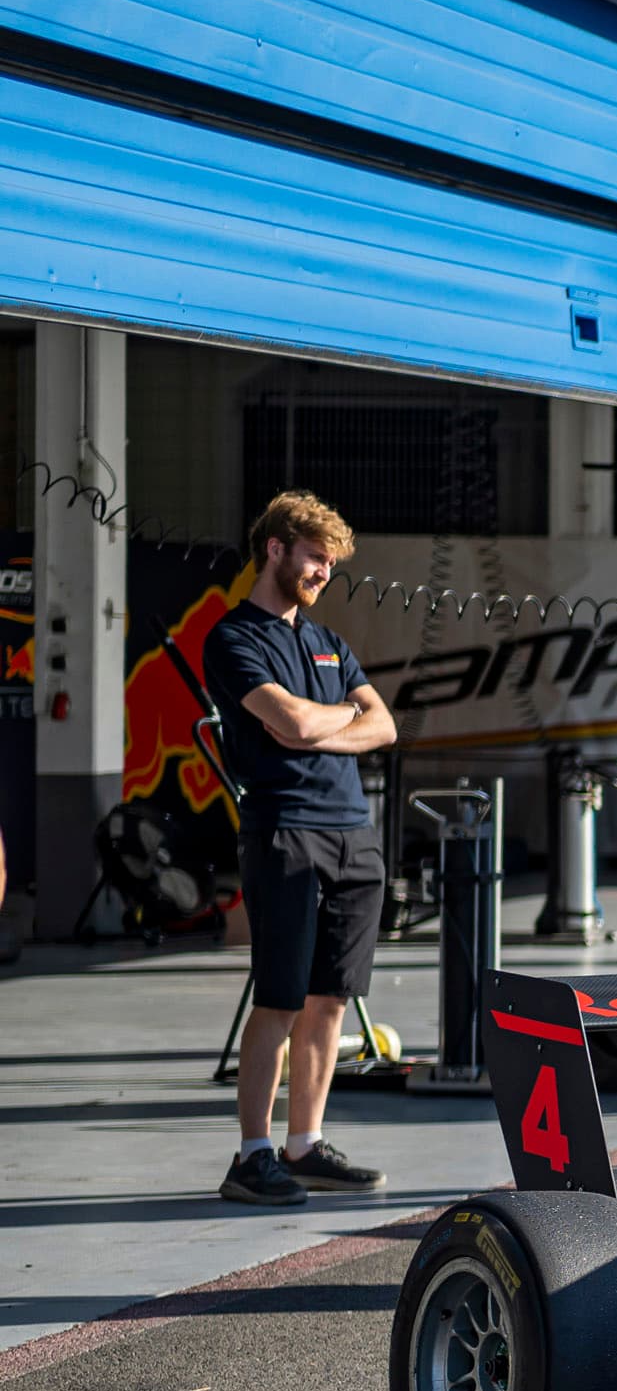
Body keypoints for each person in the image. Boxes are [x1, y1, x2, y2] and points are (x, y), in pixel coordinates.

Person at [202, 491, 395, 1209]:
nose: (324, 573)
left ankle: (303, 1145)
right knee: (279, 999)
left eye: (331, 563)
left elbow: (385, 727)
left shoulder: (329, 642)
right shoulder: (233, 639)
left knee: (331, 1001)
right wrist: (335, 716)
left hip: (353, 834)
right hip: (285, 832)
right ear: (276, 549)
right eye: (316, 557)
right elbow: (284, 722)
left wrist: (328, 720)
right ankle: (252, 1155)